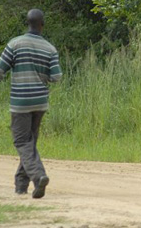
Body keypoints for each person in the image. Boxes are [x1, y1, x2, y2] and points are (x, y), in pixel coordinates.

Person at [0, 9, 62, 199]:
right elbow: (56, 77)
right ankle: (21, 186)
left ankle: (38, 176)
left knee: (21, 141)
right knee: (30, 144)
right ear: (42, 24)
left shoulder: (15, 43)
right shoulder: (50, 48)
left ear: (27, 23)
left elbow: (1, 69)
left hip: (20, 102)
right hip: (40, 102)